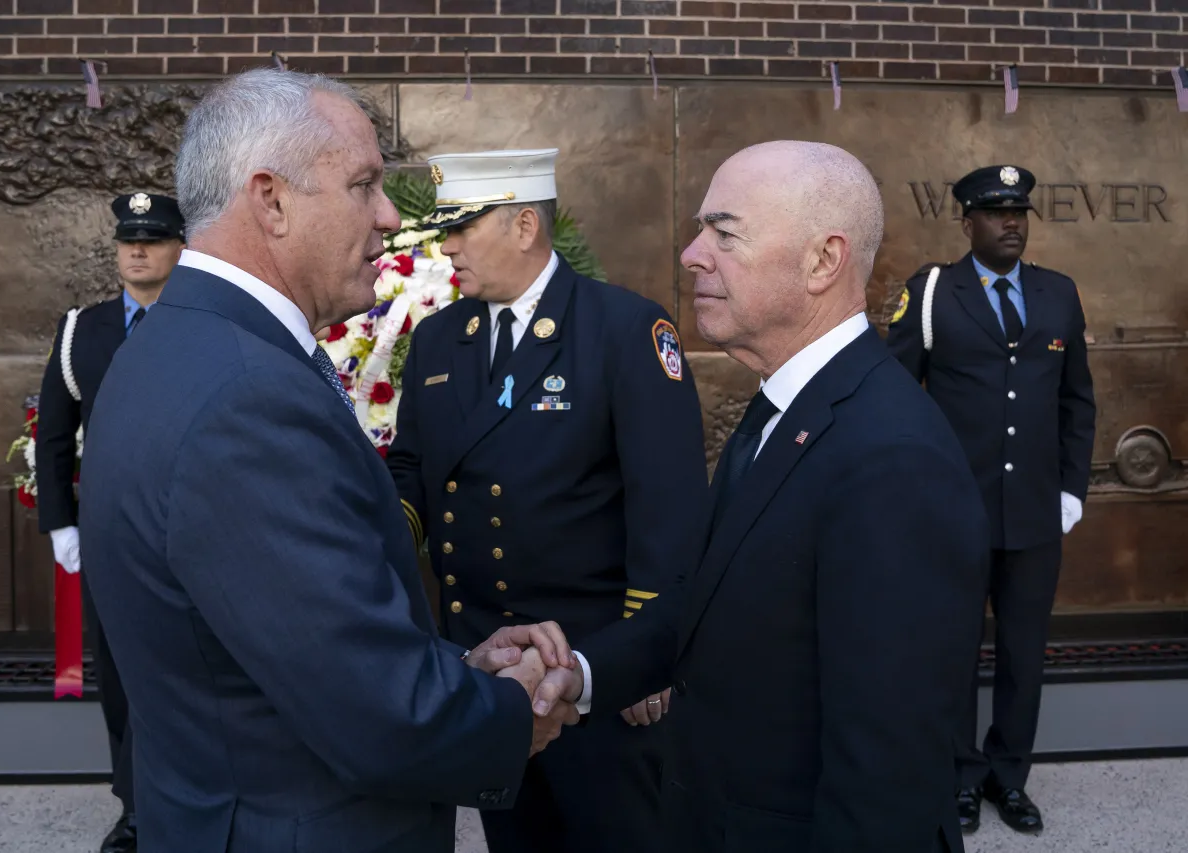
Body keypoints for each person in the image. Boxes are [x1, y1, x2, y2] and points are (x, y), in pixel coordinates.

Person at [76, 69, 580, 853]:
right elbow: (379, 716)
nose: (388, 217)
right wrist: (517, 708)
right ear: (270, 199)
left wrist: (457, 667)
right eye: (364, 185)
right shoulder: (245, 394)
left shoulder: (183, 345)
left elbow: (287, 637)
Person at [529, 141, 989, 853]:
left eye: (724, 231)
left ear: (822, 261)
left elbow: (886, 768)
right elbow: (714, 598)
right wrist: (582, 674)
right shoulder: (787, 406)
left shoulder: (891, 454)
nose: (690, 253)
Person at [386, 148, 709, 853]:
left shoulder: (622, 329)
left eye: (465, 227)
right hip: (487, 666)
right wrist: (374, 532)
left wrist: (648, 653)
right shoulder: (441, 338)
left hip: (597, 667)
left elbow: (671, 503)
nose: (448, 245)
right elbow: (411, 466)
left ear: (526, 225)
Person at [885, 164, 1096, 835]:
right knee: (953, 649)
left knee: (1023, 652)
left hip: (1035, 510)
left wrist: (1071, 486)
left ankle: (1011, 778)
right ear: (968, 220)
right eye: (997, 212)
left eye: (1020, 213)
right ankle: (960, 777)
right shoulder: (931, 293)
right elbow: (893, 397)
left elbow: (1077, 400)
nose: (1012, 223)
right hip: (954, 509)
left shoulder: (1058, 294)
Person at [35, 190, 186, 853]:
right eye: (129, 238)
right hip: (111, 538)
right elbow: (54, 436)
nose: (137, 248)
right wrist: (62, 524)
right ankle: (135, 811)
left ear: (181, 247)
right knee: (122, 678)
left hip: (192, 531)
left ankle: (191, 799)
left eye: (152, 238)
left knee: (191, 670)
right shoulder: (82, 330)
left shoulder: (202, 321)